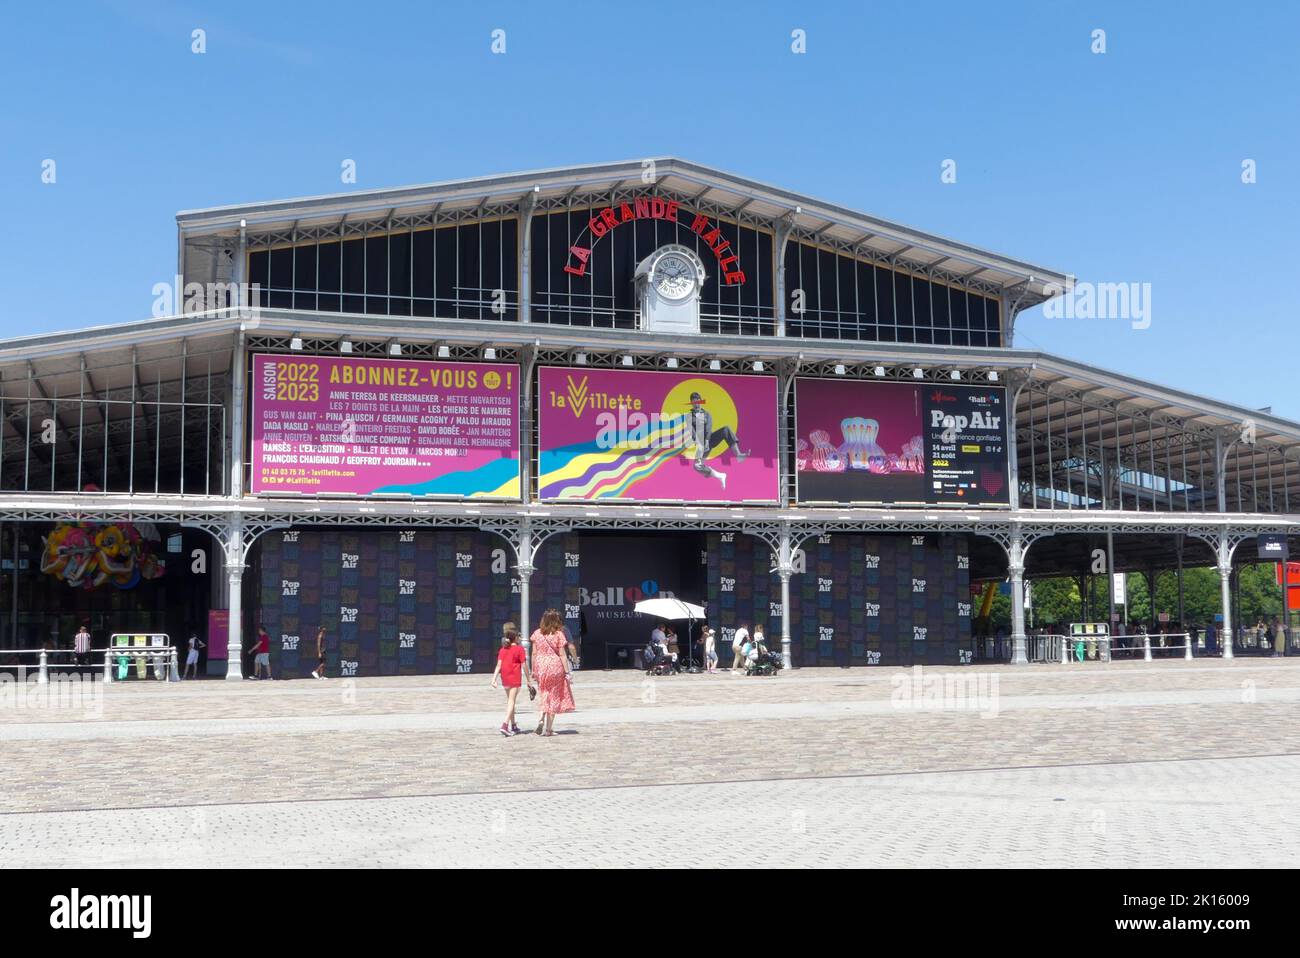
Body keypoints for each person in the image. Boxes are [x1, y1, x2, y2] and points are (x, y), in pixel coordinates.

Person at [685, 391, 749, 491]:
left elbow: (709, 428)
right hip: (700, 443)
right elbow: (692, 432)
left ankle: (739, 455)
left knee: (726, 430)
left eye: (698, 401)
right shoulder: (689, 416)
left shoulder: (706, 414)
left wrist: (706, 440)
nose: (696, 404)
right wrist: (700, 443)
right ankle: (720, 476)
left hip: (709, 439)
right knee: (697, 466)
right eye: (693, 402)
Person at [530, 609, 575, 736]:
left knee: (544, 693)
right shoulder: (559, 635)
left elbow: (534, 653)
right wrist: (567, 672)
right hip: (555, 666)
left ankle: (540, 718)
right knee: (554, 696)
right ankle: (549, 729)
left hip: (541, 665)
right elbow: (562, 655)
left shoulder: (536, 633)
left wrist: (534, 670)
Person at [491, 622, 534, 736]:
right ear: (515, 638)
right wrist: (528, 680)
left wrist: (494, 679)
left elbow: (498, 665)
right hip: (514, 677)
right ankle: (505, 725)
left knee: (510, 701)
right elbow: (524, 665)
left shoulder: (502, 650)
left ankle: (513, 725)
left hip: (504, 677)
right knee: (511, 702)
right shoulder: (519, 649)